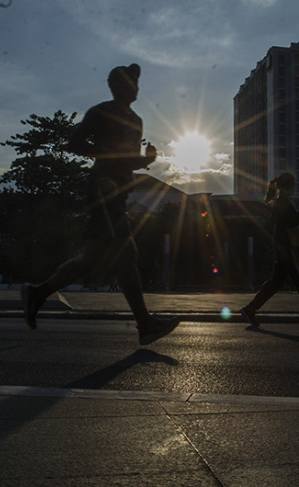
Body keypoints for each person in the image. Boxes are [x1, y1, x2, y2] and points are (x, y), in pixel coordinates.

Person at [21, 63, 180, 345]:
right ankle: (145, 323)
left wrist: (147, 160)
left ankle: (37, 293)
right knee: (127, 253)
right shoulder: (101, 111)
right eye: (129, 84)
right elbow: (74, 144)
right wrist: (104, 156)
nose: (135, 88)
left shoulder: (137, 120)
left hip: (119, 190)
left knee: (90, 259)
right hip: (103, 188)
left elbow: (127, 160)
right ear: (115, 86)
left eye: (136, 83)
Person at [240, 172, 299, 328]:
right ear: (289, 186)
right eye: (293, 185)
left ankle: (250, 309)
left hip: (283, 248)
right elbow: (292, 224)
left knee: (276, 282)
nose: (294, 189)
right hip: (290, 248)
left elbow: (290, 224)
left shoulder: (282, 203)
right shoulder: (283, 204)